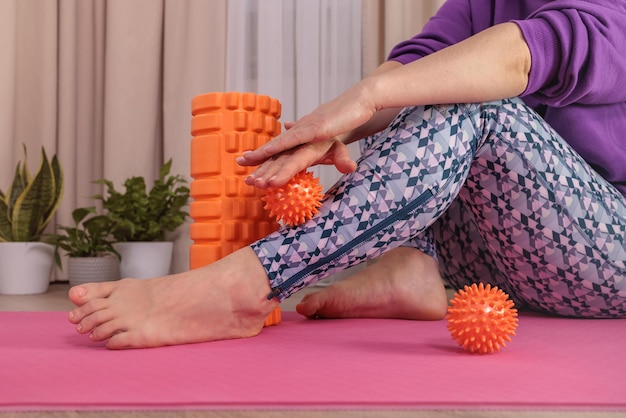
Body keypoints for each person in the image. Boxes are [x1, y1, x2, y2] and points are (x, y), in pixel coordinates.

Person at [68, 0, 626, 349]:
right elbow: (412, 65)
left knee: (474, 99)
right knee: (429, 82)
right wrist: (333, 127)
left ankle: (247, 285)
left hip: (607, 252)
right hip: (506, 257)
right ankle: (411, 269)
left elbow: (528, 55)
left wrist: (363, 100)